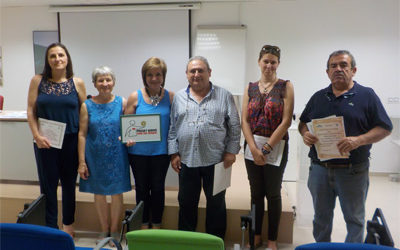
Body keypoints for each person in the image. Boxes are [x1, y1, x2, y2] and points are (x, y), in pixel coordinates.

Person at [298, 50, 392, 243]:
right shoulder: (318, 97)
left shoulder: (367, 95)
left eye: (343, 65)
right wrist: (305, 134)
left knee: (355, 220)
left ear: (353, 70)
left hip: (353, 172)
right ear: (327, 72)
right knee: (321, 219)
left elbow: (385, 127)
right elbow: (303, 122)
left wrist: (359, 140)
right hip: (319, 171)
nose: (338, 69)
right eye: (333, 66)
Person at [168, 56, 241, 239]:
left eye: (201, 70)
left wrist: (231, 151)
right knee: (186, 203)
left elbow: (234, 125)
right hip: (187, 160)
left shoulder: (224, 95)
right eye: (192, 71)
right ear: (186, 74)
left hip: (216, 160)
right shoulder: (178, 97)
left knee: (216, 205)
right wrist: (173, 153)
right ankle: (186, 243)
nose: (196, 74)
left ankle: (215, 243)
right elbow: (172, 128)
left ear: (209, 72)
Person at [27, 43, 86, 236]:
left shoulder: (77, 82)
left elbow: (85, 112)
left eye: (61, 55)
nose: (57, 59)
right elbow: (30, 111)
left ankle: (68, 224)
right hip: (45, 142)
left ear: (67, 58)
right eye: (53, 56)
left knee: (69, 184)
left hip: (70, 141)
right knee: (48, 186)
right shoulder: (38, 81)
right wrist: (36, 136)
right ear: (48, 60)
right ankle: (50, 227)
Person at [241, 45, 294, 250]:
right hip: (251, 147)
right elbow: (244, 120)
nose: (269, 65)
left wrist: (266, 149)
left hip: (276, 146)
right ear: (259, 62)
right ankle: (255, 235)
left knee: (273, 193)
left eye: (273, 61)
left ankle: (272, 239)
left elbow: (287, 121)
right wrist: (254, 149)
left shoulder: (285, 86)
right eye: (266, 61)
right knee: (255, 193)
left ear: (278, 64)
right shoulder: (250, 88)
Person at [77, 66, 131, 243]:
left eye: (108, 79)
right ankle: (103, 230)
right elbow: (82, 134)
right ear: (94, 83)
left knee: (117, 194)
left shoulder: (122, 102)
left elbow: (129, 127)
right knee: (99, 194)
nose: (105, 83)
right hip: (95, 156)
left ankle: (115, 231)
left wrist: (128, 136)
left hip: (117, 155)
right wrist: (82, 161)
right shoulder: (87, 105)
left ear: (113, 82)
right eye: (100, 80)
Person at [125, 57, 174, 229]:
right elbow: (126, 127)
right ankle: (144, 224)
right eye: (150, 75)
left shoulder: (171, 97)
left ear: (163, 76)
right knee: (142, 189)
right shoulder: (134, 96)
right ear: (144, 76)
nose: (154, 78)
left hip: (161, 153)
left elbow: (174, 126)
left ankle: (157, 224)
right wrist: (127, 138)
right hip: (138, 153)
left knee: (158, 189)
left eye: (158, 74)